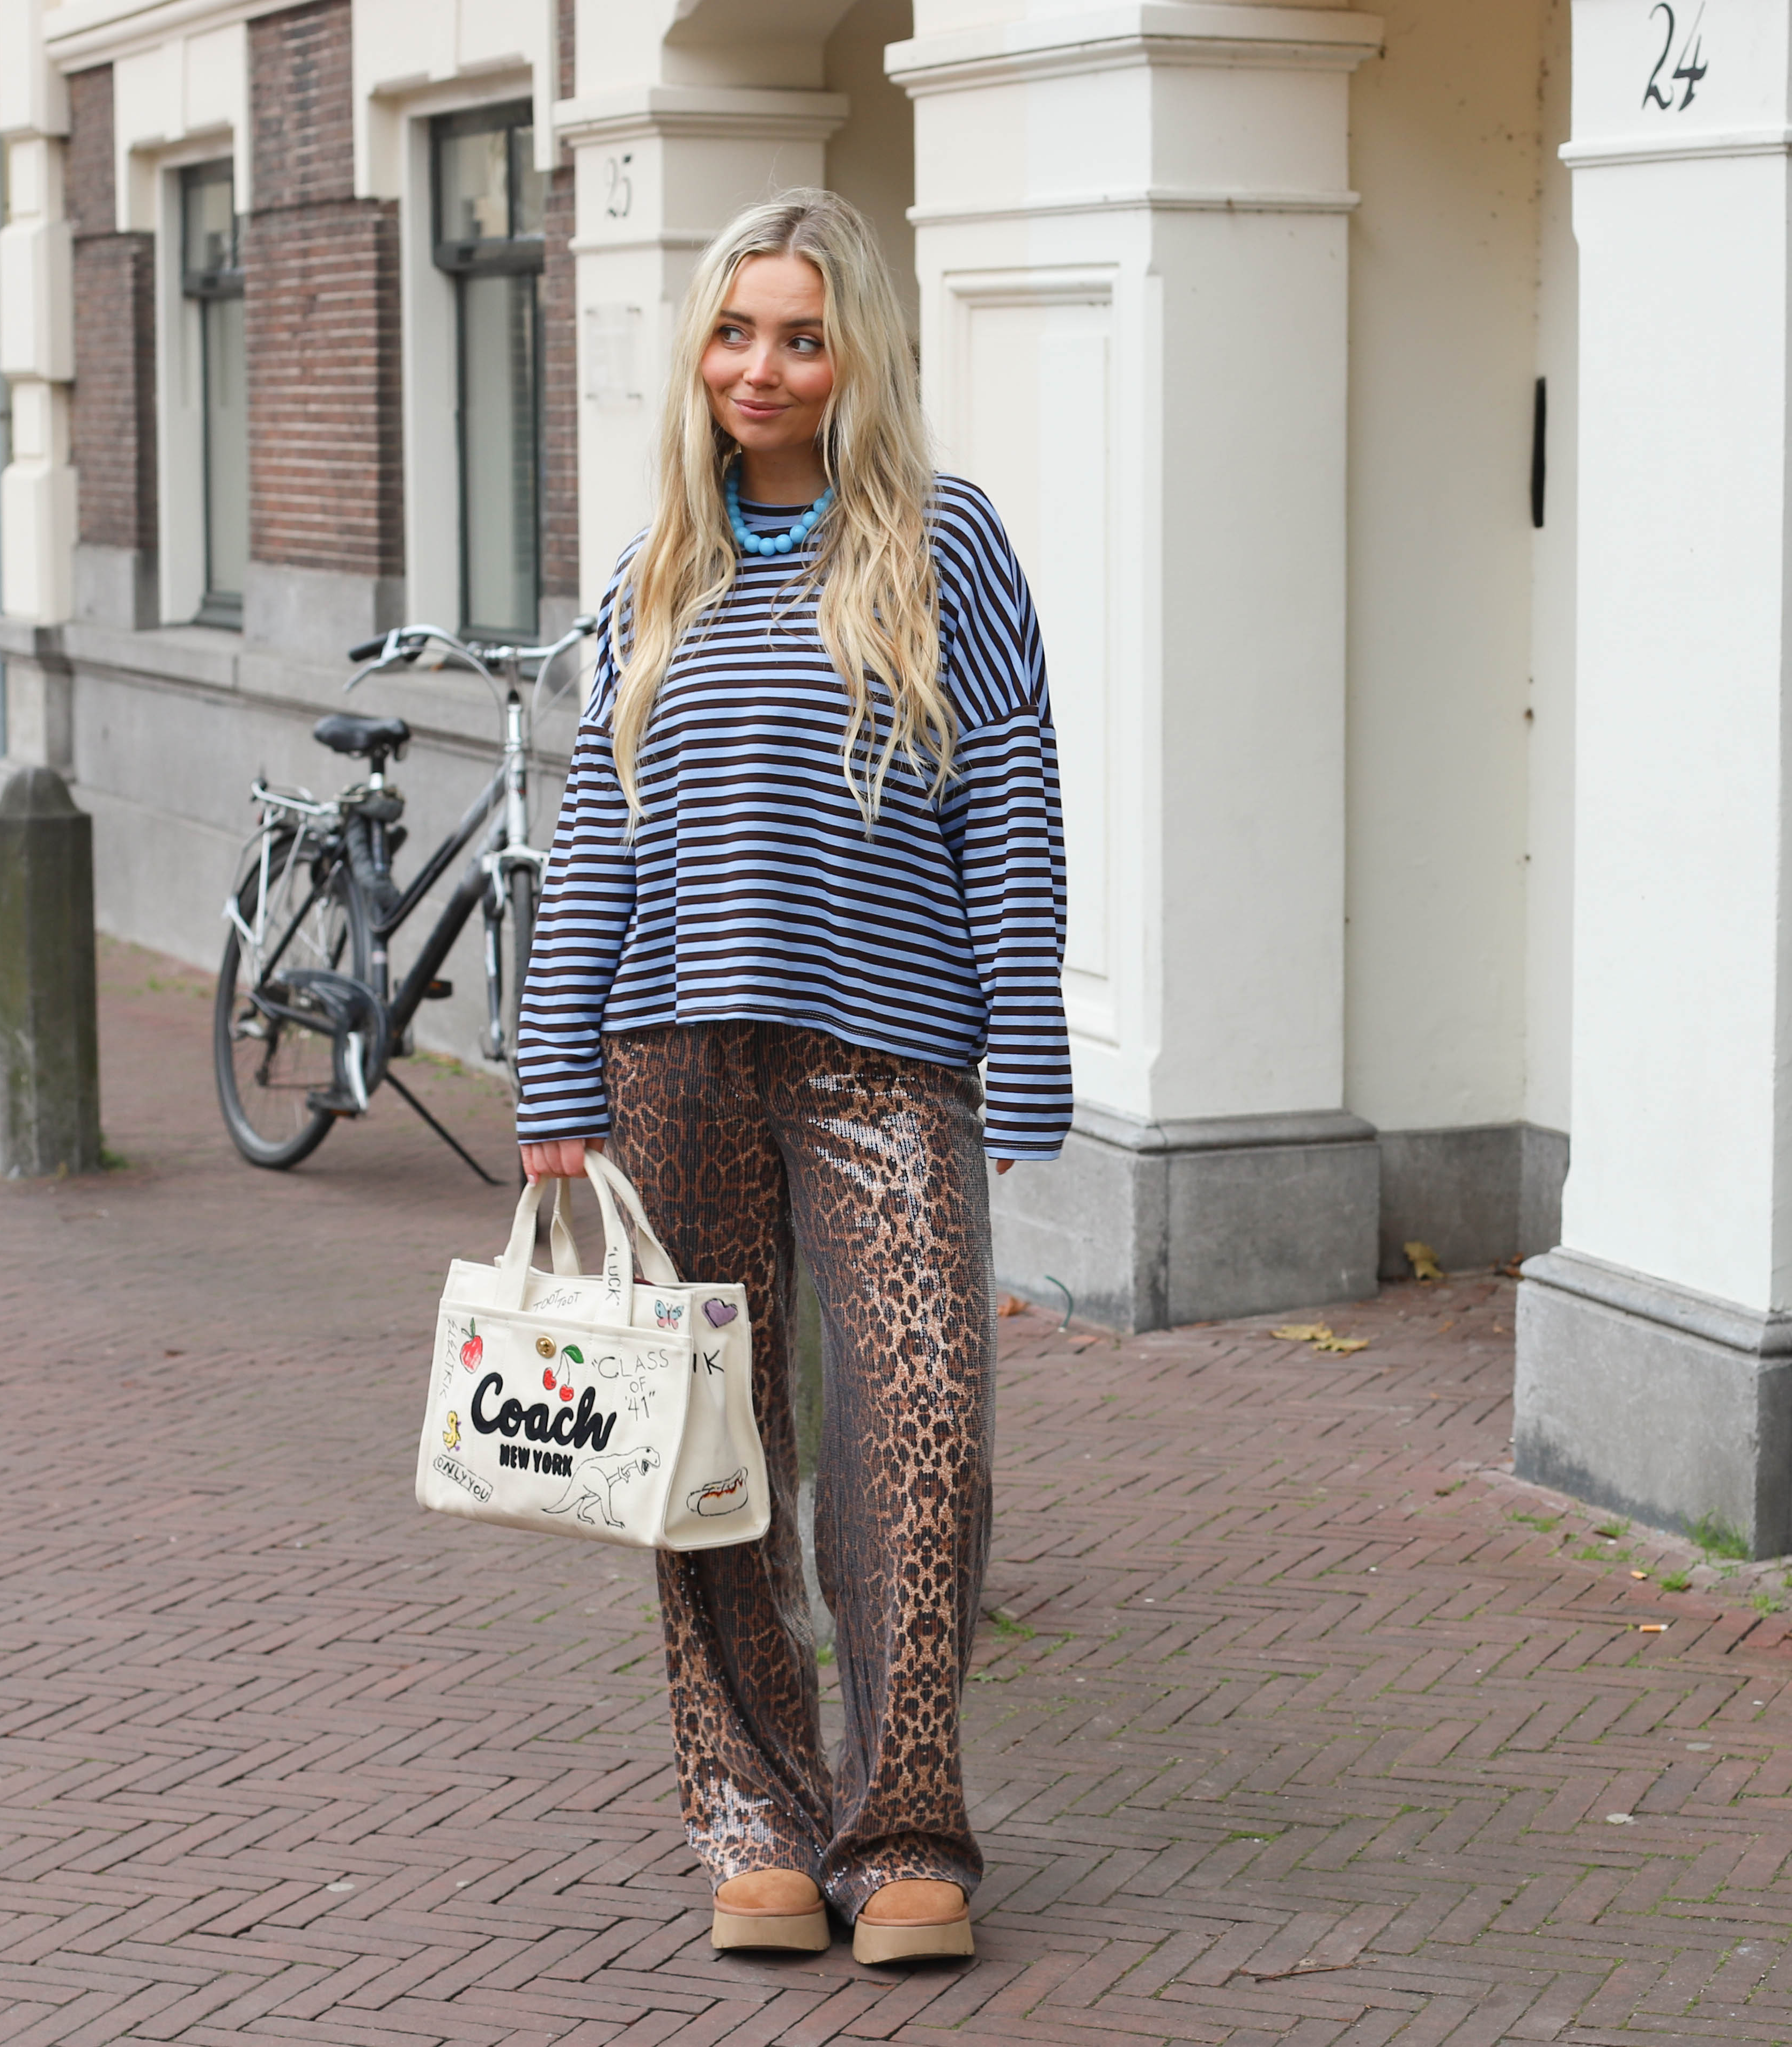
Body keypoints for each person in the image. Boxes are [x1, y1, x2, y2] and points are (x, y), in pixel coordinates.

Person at [515, 188, 1070, 1965]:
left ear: (859, 359)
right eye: (737, 332)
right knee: (707, 1444)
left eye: (804, 338)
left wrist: (1028, 1046)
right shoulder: (655, 569)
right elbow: (599, 832)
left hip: (888, 1060)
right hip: (672, 1055)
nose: (763, 368)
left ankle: (904, 1829)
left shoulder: (946, 543)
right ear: (701, 350)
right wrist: (552, 1072)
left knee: (920, 1438)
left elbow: (1014, 798)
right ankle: (753, 1815)